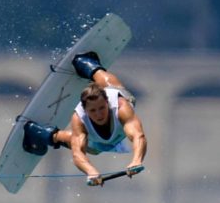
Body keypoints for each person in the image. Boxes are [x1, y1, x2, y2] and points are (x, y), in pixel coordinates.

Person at [21, 54, 146, 186]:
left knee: (112, 87)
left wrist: (136, 160)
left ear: (107, 103)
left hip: (112, 116)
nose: (99, 114)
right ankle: (42, 133)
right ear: (85, 110)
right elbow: (78, 153)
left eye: (102, 108)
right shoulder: (79, 118)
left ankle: (90, 66)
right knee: (86, 145)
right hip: (99, 141)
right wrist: (91, 171)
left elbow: (138, 136)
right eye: (93, 110)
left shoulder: (121, 108)